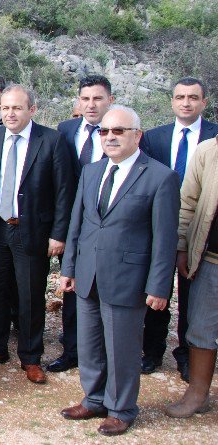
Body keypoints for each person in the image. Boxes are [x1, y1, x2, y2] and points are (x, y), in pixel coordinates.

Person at [60, 106, 179, 436]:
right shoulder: (92, 172)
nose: (110, 137)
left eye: (118, 131)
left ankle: (122, 408)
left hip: (129, 279)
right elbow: (78, 224)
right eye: (105, 132)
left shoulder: (160, 177)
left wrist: (159, 286)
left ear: (137, 135)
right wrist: (68, 267)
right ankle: (94, 397)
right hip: (88, 273)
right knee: (90, 343)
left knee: (122, 348)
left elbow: (165, 238)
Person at [0, 84, 75, 385]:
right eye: (5, 108)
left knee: (30, 296)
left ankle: (30, 356)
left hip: (32, 230)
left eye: (16, 108)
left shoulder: (51, 140)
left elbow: (63, 192)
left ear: (32, 109)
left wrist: (58, 234)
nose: (10, 113)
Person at [139, 77, 218, 379]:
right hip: (158, 226)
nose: (186, 102)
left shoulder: (214, 137)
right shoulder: (154, 137)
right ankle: (153, 351)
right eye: (180, 97)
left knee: (191, 294)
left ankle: (187, 355)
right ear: (172, 101)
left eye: (193, 97)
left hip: (199, 229)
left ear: (204, 103)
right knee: (156, 290)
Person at [49, 74, 114, 373]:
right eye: (85, 99)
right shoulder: (65, 130)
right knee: (72, 287)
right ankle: (72, 349)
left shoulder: (120, 132)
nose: (91, 105)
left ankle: (105, 352)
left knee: (107, 288)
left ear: (110, 100)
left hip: (109, 226)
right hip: (72, 226)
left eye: (97, 98)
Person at [166, 134, 218, 417]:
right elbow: (188, 202)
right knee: (201, 329)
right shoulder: (208, 151)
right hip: (210, 259)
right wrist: (182, 246)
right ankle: (197, 394)